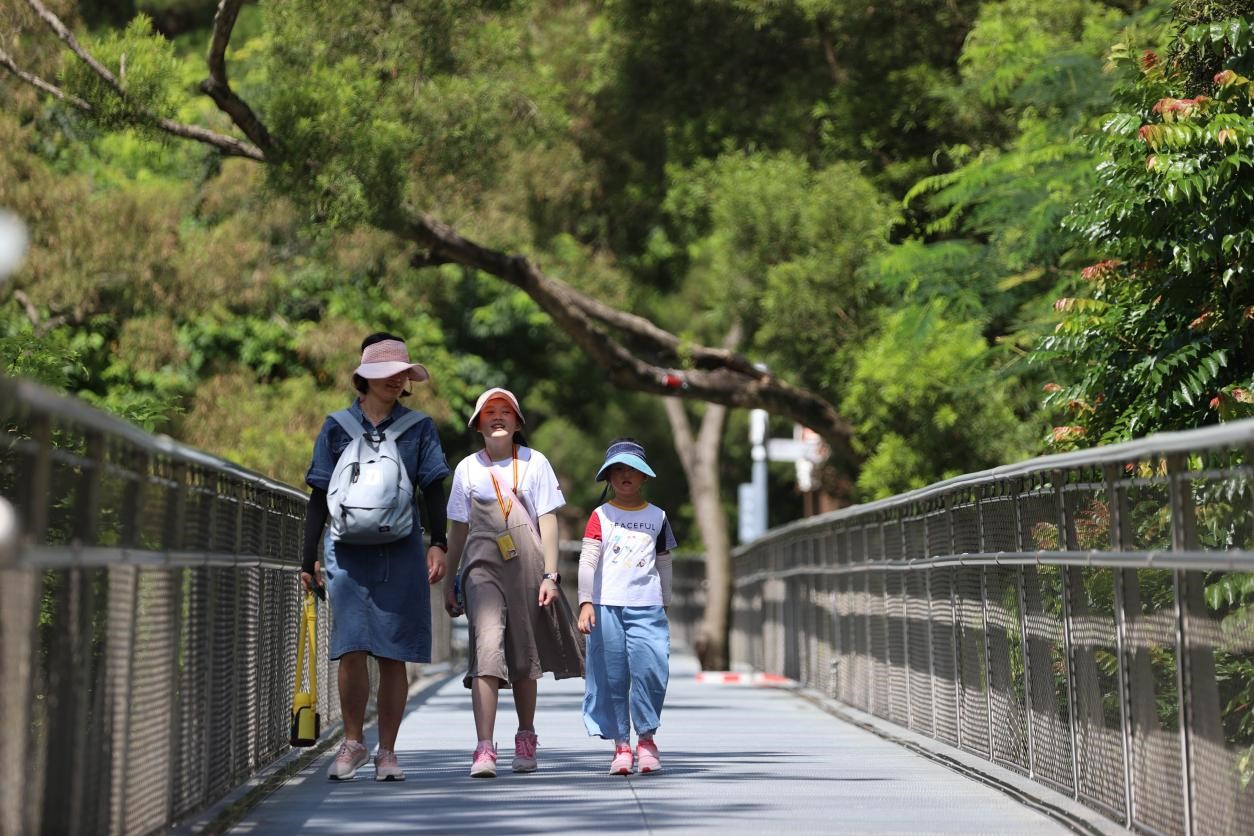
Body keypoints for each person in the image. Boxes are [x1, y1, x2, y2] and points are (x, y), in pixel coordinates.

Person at [301, 332, 451, 782]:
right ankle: (353, 742)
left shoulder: (419, 428)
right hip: (346, 551)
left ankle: (387, 751)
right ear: (364, 378)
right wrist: (306, 557)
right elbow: (319, 493)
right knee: (351, 647)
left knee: (393, 652)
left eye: (402, 373)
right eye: (386, 373)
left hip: (401, 549)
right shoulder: (335, 426)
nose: (396, 380)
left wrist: (439, 542)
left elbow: (433, 487)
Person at [442, 387, 583, 778]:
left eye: (505, 411)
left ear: (518, 422)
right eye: (489, 412)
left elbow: (548, 520)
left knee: (524, 653)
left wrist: (551, 575)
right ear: (478, 424)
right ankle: (484, 747)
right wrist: (450, 579)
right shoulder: (467, 468)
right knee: (486, 646)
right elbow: (458, 528)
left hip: (526, 565)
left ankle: (525, 735)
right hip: (480, 564)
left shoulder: (535, 462)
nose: (498, 417)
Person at [577, 438, 676, 775]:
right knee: (612, 676)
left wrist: (665, 601)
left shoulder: (658, 516)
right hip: (606, 606)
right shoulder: (600, 516)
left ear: (644, 476)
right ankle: (621, 745)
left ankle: (646, 739)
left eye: (632, 469)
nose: (625, 475)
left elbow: (664, 562)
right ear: (608, 477)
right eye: (617, 470)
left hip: (647, 605)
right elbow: (588, 560)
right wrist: (585, 601)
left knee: (651, 670)